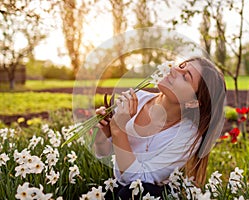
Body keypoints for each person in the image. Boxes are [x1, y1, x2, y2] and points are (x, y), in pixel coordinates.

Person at [93, 57, 226, 199]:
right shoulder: (137, 99)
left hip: (146, 194)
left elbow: (137, 181)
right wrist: (105, 131)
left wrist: (118, 130)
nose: (174, 69)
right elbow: (103, 151)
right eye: (181, 65)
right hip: (118, 187)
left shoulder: (188, 136)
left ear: (193, 102)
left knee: (131, 193)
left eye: (185, 77)